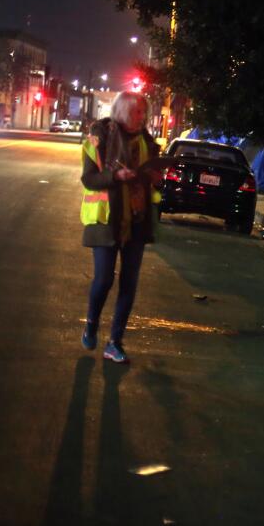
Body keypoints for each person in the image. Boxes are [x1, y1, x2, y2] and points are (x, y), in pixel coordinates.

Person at [80, 91, 162, 363]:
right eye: (138, 112)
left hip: (137, 221)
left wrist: (157, 178)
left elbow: (155, 182)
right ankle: (91, 324)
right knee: (104, 279)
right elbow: (89, 179)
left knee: (130, 282)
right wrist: (115, 176)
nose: (143, 117)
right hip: (107, 221)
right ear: (124, 112)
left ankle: (115, 342)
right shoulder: (99, 137)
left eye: (143, 112)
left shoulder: (148, 143)